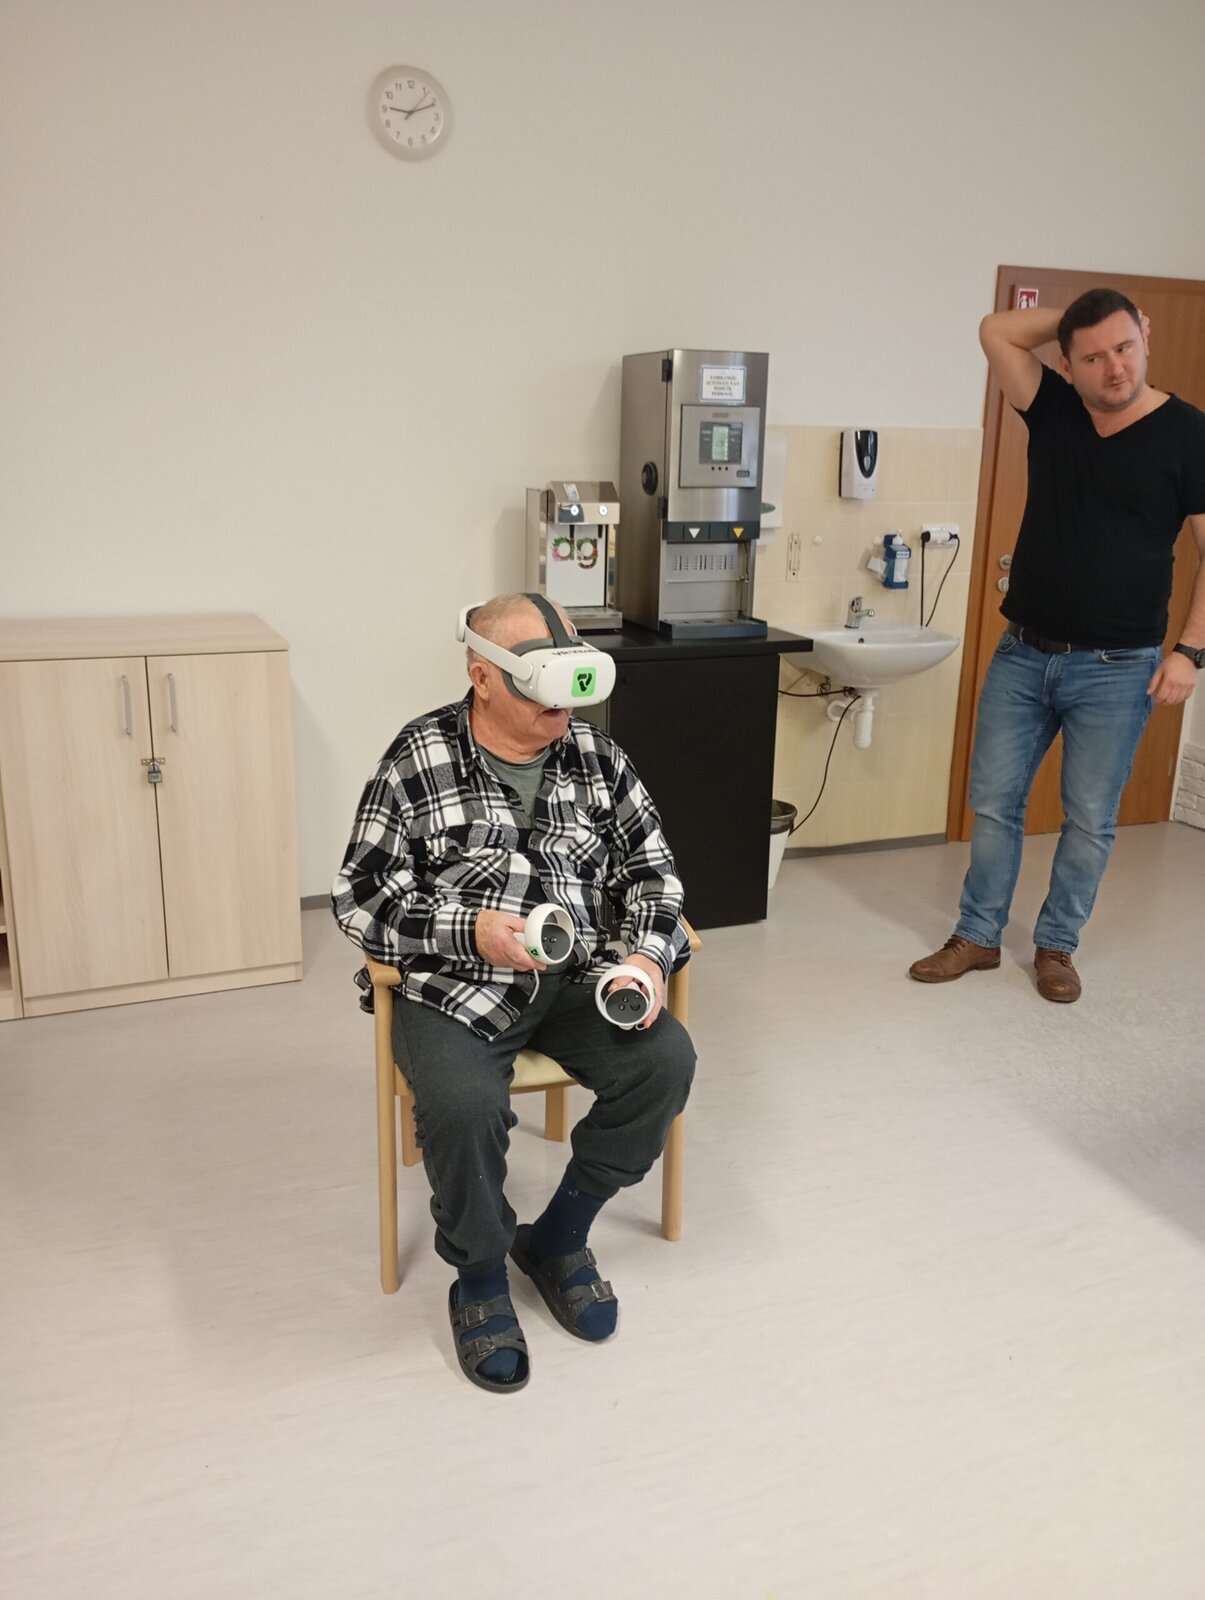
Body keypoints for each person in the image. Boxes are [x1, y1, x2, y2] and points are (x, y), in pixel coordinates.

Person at [332, 593, 695, 1392]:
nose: (561, 711)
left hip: (577, 979)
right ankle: (480, 1274)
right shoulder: (418, 755)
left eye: (570, 690)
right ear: (483, 677)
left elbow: (653, 873)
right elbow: (358, 898)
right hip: (454, 988)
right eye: (541, 691)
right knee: (463, 1107)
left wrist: (645, 957)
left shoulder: (597, 757)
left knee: (664, 1063)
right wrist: (469, 930)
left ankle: (558, 1236)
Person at [911, 288, 1205, 1002]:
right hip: (1023, 653)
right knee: (993, 804)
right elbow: (995, 330)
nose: (1115, 368)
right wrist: (1073, 322)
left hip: (1118, 667)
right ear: (1067, 365)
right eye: (1093, 356)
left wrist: (1190, 651)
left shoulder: (1188, 433)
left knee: (1088, 820)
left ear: (1145, 338)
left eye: (1125, 346)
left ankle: (1056, 946)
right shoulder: (1054, 407)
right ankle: (977, 936)